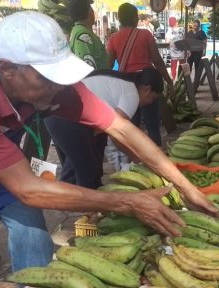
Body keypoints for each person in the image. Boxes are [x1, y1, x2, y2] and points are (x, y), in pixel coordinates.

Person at [0, 11, 217, 286]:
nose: (58, 87)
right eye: (47, 78)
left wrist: (184, 186)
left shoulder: (49, 85)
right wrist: (126, 202)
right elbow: (27, 188)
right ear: (8, 69)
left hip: (0, 165)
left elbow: (121, 128)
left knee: (31, 226)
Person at [45, 68, 164, 186]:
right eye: (152, 98)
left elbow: (104, 130)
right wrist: (137, 159)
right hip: (68, 119)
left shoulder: (121, 82)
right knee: (87, 171)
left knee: (82, 162)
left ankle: (77, 196)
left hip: (57, 114)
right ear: (147, 89)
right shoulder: (132, 94)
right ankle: (86, 200)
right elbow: (117, 135)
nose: (149, 103)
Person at [107, 3, 173, 147]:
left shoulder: (113, 38)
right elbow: (157, 60)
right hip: (147, 85)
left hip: (126, 86)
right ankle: (157, 157)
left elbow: (108, 65)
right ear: (136, 18)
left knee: (132, 127)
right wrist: (168, 80)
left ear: (119, 19)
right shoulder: (145, 35)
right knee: (152, 125)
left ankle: (136, 161)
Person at [68, 0, 109, 70]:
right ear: (88, 12)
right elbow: (87, 68)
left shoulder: (79, 30)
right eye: (90, 7)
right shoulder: (83, 35)